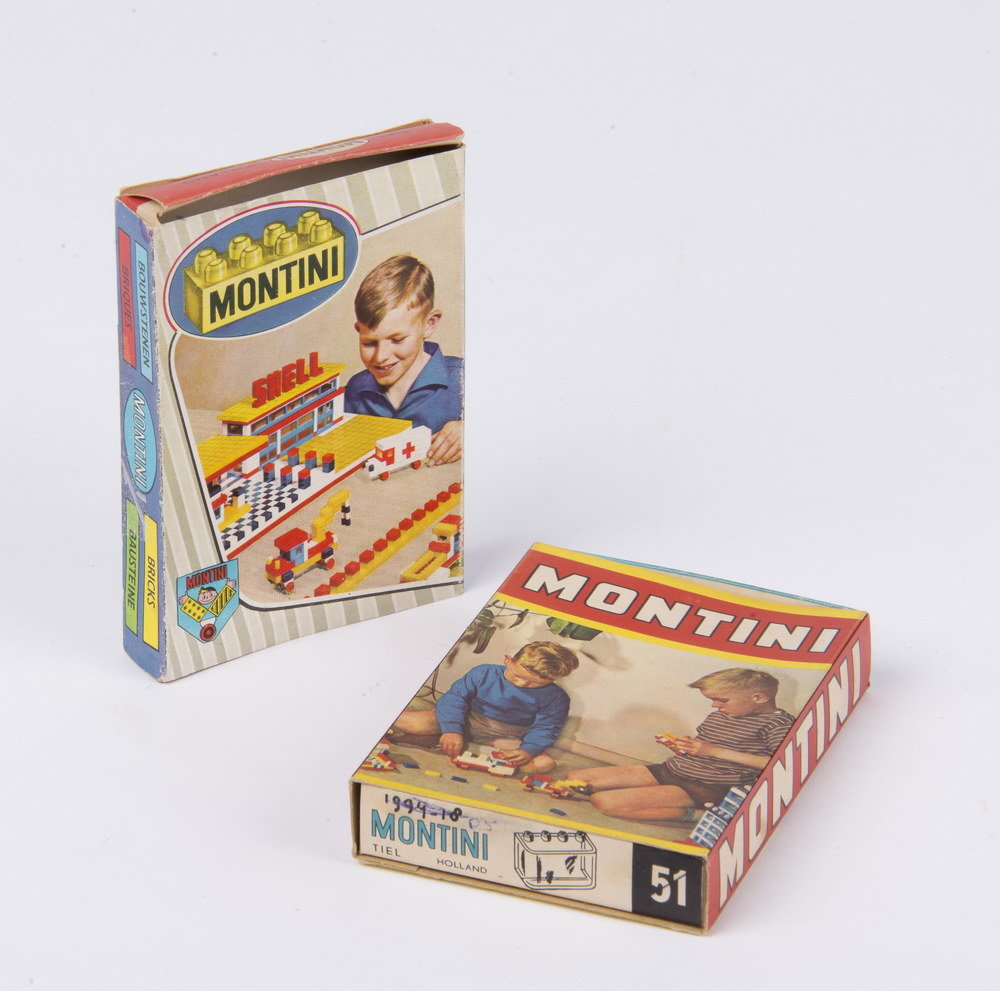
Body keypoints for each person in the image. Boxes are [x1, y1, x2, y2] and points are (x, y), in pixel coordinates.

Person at [572, 668, 794, 822]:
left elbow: (782, 764)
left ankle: (693, 814)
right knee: (575, 779)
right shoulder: (722, 715)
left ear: (759, 698)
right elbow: (705, 746)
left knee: (604, 802)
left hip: (706, 786)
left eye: (722, 700)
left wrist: (713, 751)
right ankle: (657, 795)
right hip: (671, 770)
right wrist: (682, 747)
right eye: (712, 700)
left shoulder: (778, 724)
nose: (714, 705)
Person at [344, 254, 463, 465]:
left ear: (429, 324)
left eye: (397, 340)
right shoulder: (355, 389)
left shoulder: (463, 378)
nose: (381, 357)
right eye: (369, 343)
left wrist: (472, 429)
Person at [390, 641, 579, 774]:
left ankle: (446, 743)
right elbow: (454, 698)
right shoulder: (484, 672)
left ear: (554, 679)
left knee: (544, 763)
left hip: (503, 736)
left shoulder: (557, 698)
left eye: (536, 682)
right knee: (403, 720)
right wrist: (452, 729)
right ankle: (448, 739)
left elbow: (546, 728)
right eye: (517, 675)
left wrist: (528, 749)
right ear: (508, 660)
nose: (522, 683)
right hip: (466, 718)